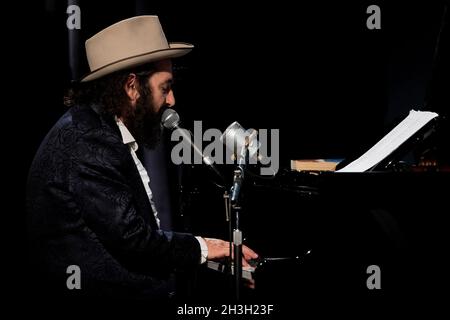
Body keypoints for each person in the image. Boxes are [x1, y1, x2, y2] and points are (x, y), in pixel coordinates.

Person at [26, 15, 257, 301]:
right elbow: (134, 240)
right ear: (132, 87)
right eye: (165, 87)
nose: (171, 100)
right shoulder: (89, 139)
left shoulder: (100, 129)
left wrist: (206, 260)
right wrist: (207, 248)